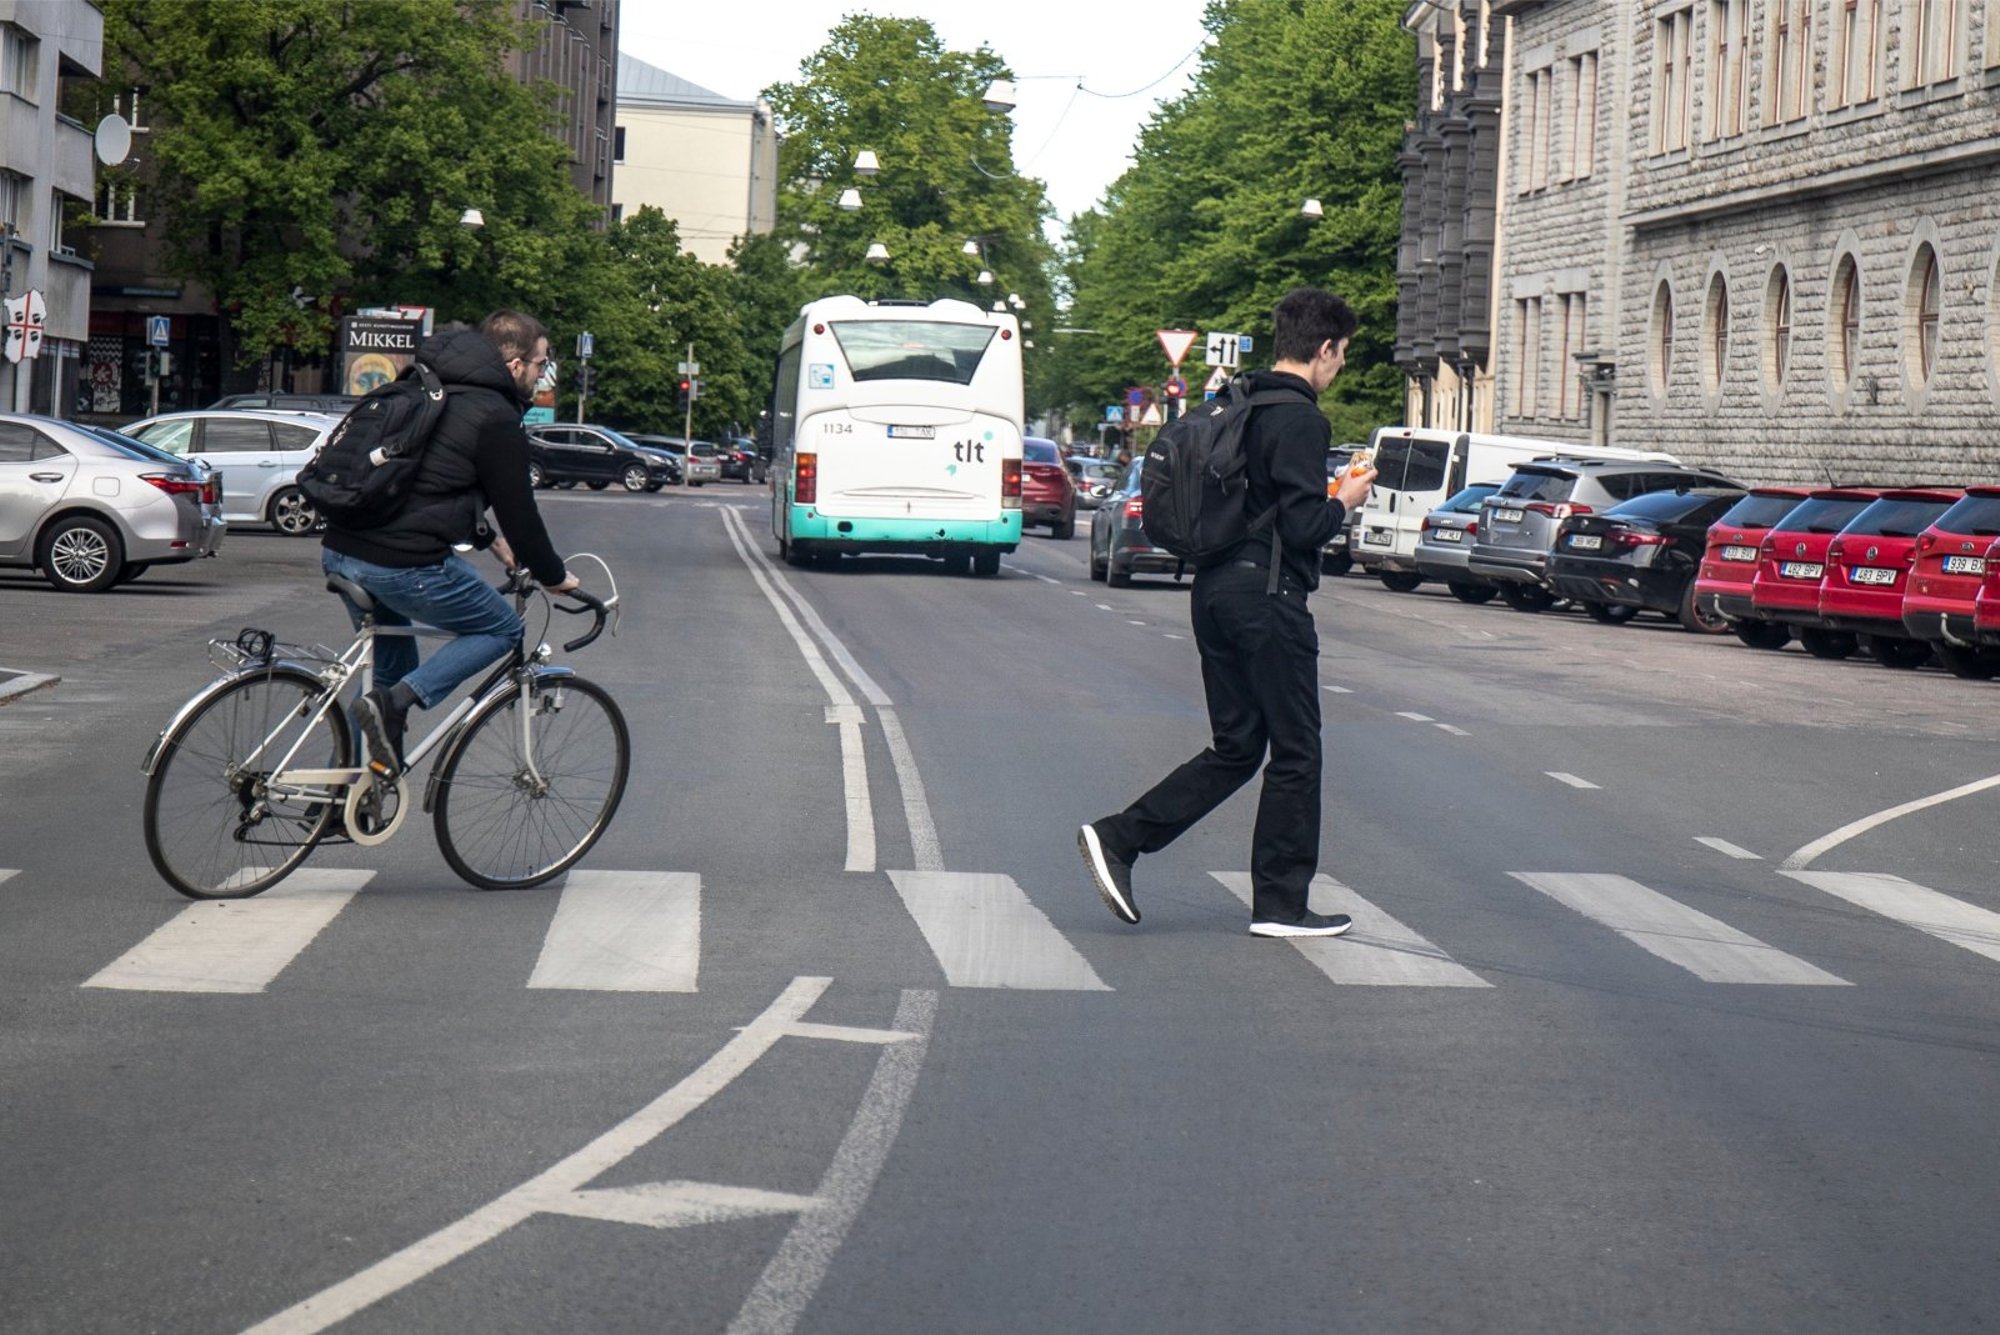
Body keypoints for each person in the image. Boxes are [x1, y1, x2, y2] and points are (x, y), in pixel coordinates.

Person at [1077, 287, 1376, 938]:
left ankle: (1120, 839)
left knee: (1239, 747)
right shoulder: (1300, 418)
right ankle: (1280, 903)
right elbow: (1301, 527)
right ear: (1324, 348)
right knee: (1297, 750)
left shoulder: (1238, 402)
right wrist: (1346, 498)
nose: (1343, 365)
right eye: (1343, 353)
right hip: (1266, 598)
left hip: (1213, 589)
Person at [321, 309, 579, 779]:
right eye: (542, 365)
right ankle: (398, 704)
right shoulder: (495, 417)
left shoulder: (429, 385)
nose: (544, 377)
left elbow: (422, 484)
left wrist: (487, 539)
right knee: (502, 629)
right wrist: (554, 576)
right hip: (398, 564)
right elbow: (522, 516)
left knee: (389, 665)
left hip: (342, 547)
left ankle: (345, 792)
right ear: (516, 364)